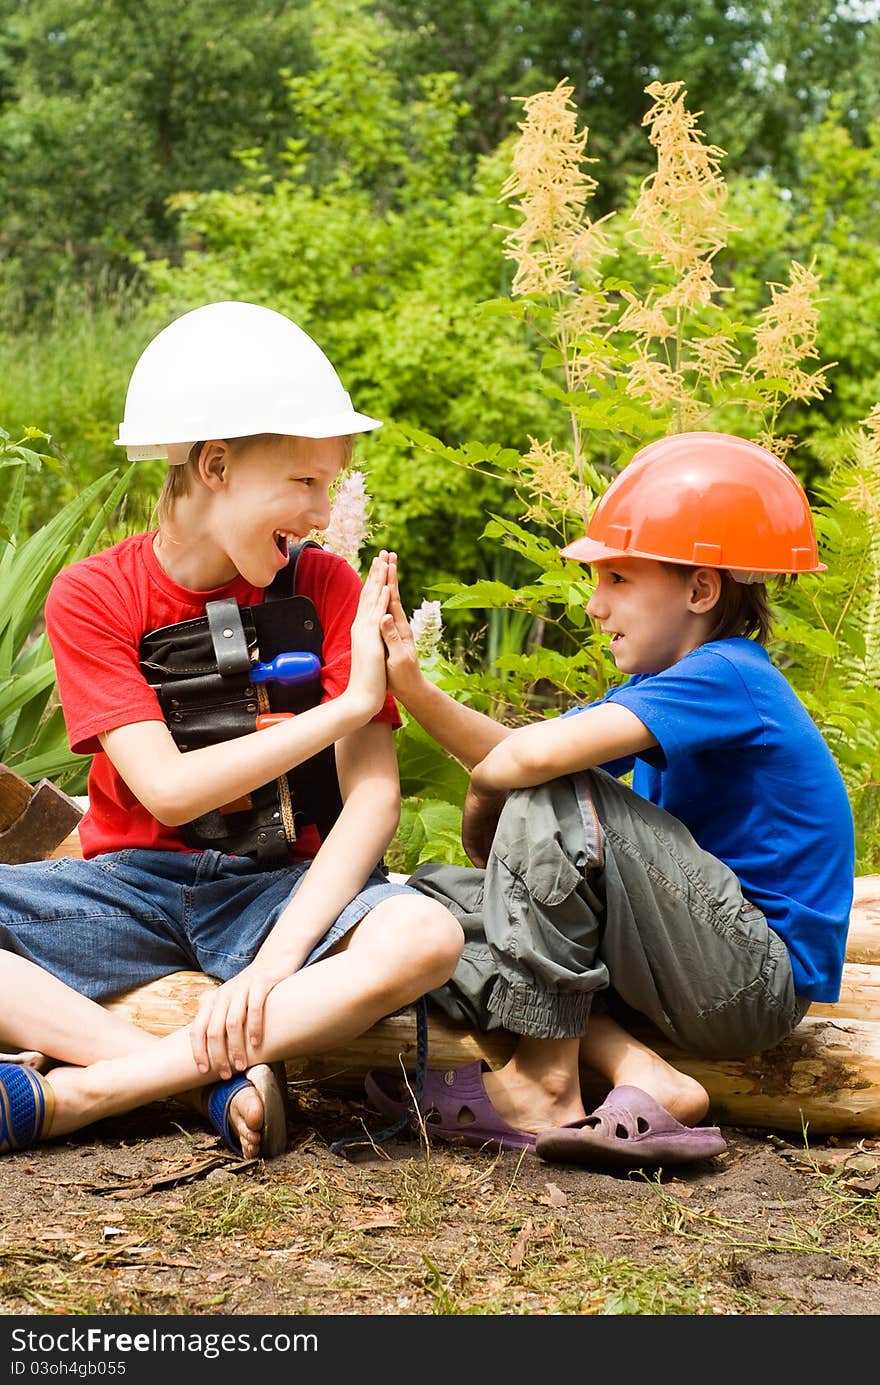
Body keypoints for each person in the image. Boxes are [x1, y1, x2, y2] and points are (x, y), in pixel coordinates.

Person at [0, 300, 463, 1161]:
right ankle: (200, 1077)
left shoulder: (325, 586)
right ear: (215, 464)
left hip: (273, 890)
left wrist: (269, 967)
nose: (323, 513)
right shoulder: (94, 595)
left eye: (330, 485)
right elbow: (169, 787)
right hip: (129, 888)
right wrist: (344, 707)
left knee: (426, 932)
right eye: (303, 482)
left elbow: (373, 800)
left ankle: (96, 1089)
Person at [365, 431, 856, 1169]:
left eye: (619, 579)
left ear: (700, 590)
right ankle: (642, 1070)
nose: (596, 607)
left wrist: (491, 791)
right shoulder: (662, 691)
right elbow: (520, 746)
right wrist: (415, 689)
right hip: (682, 961)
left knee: (548, 788)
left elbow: (531, 764)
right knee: (437, 901)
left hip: (751, 978)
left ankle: (542, 1082)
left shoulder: (729, 675)